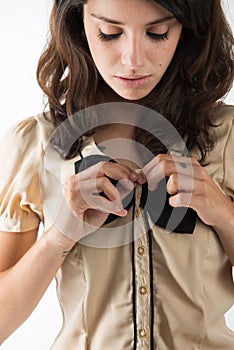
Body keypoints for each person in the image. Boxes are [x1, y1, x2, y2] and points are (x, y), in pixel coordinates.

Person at [0, 0, 233, 349]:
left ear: (188, 28)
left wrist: (224, 215)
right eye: (110, 33)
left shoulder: (227, 135)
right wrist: (59, 238)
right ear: (79, 26)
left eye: (157, 33)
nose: (133, 60)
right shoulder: (34, 143)